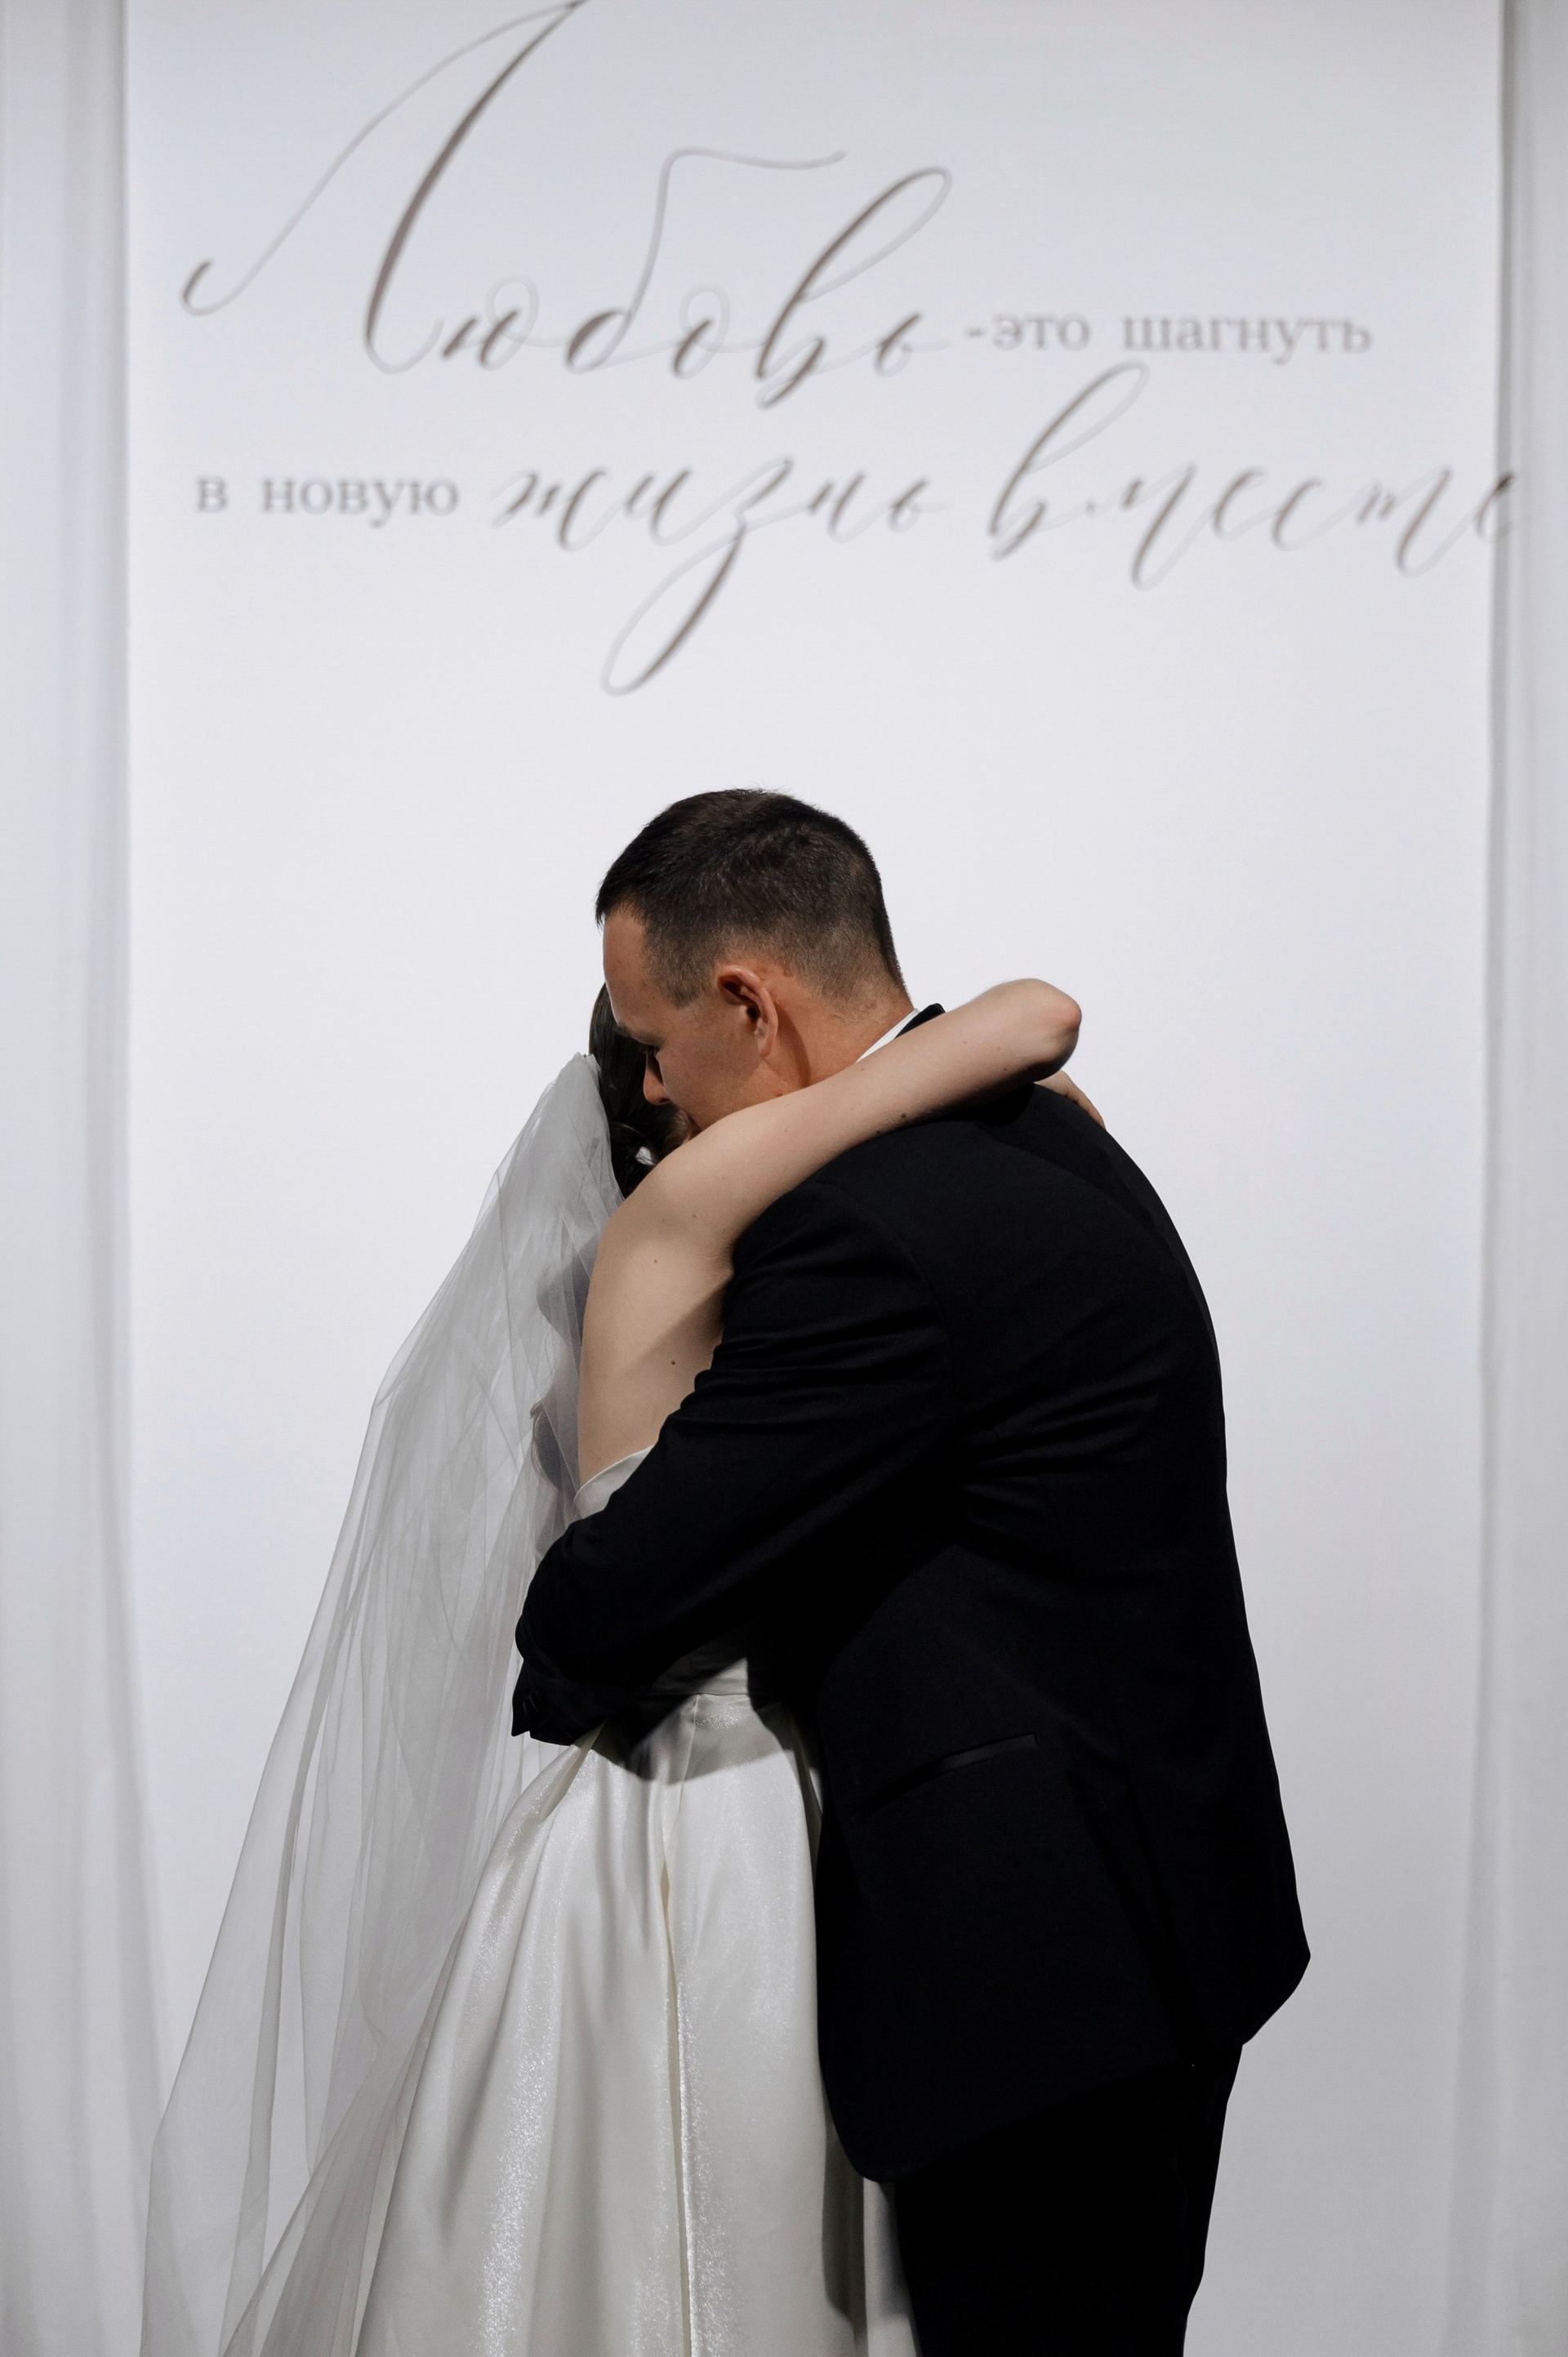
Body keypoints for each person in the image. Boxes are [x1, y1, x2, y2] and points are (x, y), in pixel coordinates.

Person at [140, 887, 1079, 2347]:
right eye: (657, 1056)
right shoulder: (667, 1237)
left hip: (779, 1798)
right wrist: (990, 1074)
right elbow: (1019, 1029)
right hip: (713, 1816)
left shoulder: (735, 1257)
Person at [515, 789, 1310, 2355]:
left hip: (1041, 1992)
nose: (648, 1084)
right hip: (1160, 1909)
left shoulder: (865, 1237)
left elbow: (602, 1612)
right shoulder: (1048, 1129)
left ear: (749, 1002)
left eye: (656, 1039)